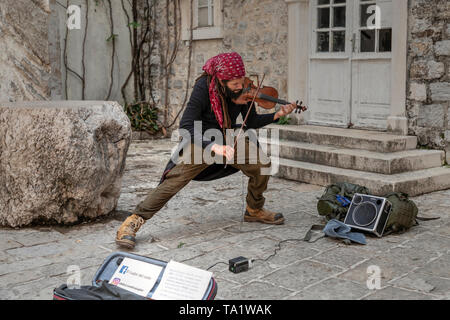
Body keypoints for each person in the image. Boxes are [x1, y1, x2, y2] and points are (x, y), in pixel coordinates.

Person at [116, 52, 297, 249]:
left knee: (262, 165)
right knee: (175, 179)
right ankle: (133, 221)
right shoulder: (203, 87)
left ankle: (254, 209)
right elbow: (186, 125)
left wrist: (278, 114)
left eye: (241, 82)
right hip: (202, 140)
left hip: (227, 137)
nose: (241, 87)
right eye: (235, 84)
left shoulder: (243, 89)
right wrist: (213, 146)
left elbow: (251, 121)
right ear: (221, 79)